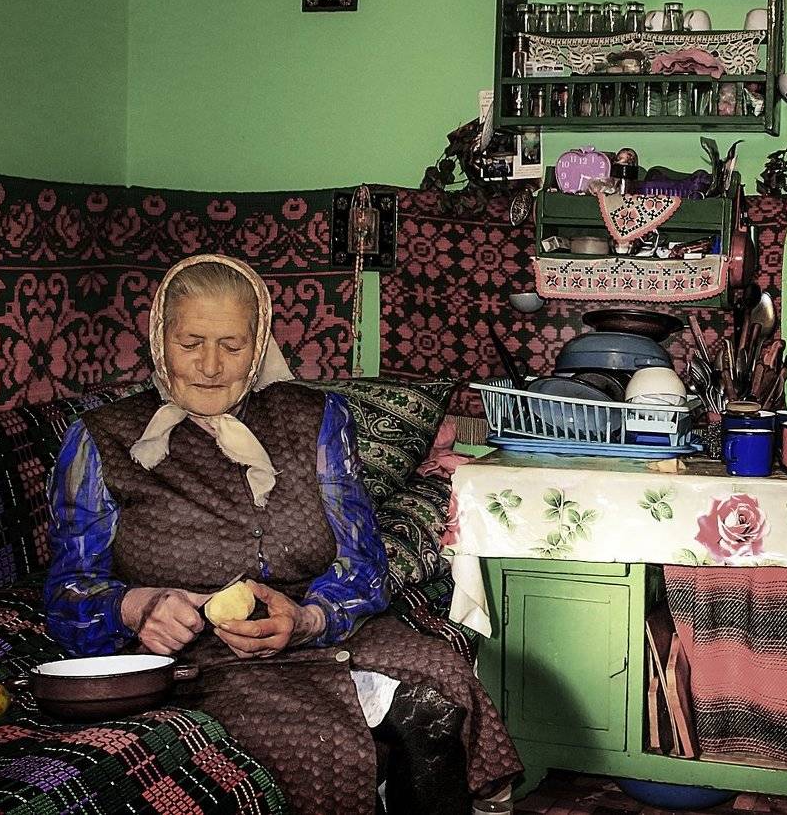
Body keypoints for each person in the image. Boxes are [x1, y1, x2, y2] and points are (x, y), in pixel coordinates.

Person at [44, 254, 521, 814]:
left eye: (232, 345)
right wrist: (136, 607)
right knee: (314, 745)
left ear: (259, 346)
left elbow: (363, 562)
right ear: (159, 339)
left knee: (443, 683)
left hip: (324, 626)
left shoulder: (316, 418)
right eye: (190, 343)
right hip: (205, 658)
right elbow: (68, 593)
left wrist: (310, 618)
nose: (210, 366)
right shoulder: (101, 437)